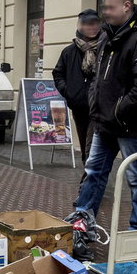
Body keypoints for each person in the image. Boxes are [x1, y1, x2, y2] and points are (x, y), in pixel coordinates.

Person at [71, 0, 137, 260]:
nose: (104, 14)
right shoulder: (108, 37)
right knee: (94, 173)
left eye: (109, 8)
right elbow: (98, 79)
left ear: (126, 6)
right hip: (105, 123)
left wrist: (118, 110)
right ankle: (81, 226)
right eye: (104, 8)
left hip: (129, 126)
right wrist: (96, 104)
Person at [52, 9, 101, 163]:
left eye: (94, 24)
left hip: (99, 106)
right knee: (85, 146)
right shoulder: (69, 52)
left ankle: (89, 179)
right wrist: (69, 92)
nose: (91, 27)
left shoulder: (105, 49)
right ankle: (88, 177)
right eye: (87, 24)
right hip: (79, 106)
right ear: (80, 27)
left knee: (92, 146)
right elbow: (58, 73)